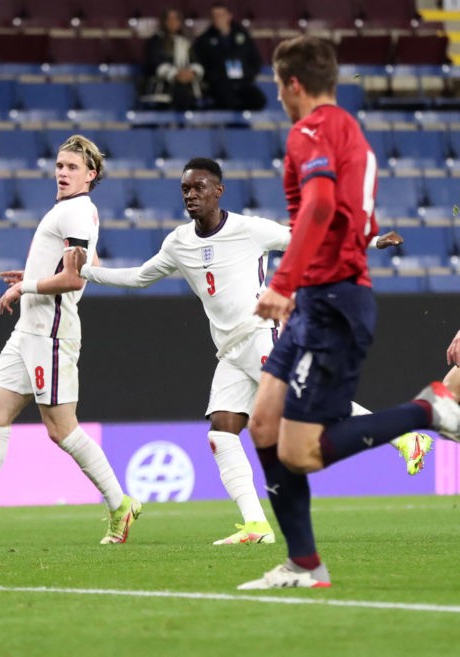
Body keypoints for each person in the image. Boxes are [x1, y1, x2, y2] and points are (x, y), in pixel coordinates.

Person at [72, 157, 431, 545]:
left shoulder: (249, 230)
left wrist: (373, 241)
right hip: (229, 351)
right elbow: (140, 277)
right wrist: (86, 272)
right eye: (185, 190)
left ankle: (404, 435)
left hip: (261, 335)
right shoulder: (178, 242)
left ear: (218, 191)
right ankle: (256, 526)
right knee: (222, 434)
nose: (191, 195)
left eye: (199, 188)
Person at [238, 36, 460, 590]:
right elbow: (346, 220)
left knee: (302, 451)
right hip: (322, 296)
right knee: (262, 425)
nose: (280, 96)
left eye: (278, 86)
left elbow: (317, 203)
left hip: (330, 301)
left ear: (293, 84)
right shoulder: (351, 133)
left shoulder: (309, 130)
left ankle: (426, 412)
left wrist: (284, 282)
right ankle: (304, 563)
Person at [0, 135, 142, 544]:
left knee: (61, 430)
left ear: (91, 174)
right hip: (30, 331)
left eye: (72, 167)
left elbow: (73, 278)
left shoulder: (76, 211)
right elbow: (90, 265)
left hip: (51, 333)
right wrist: (36, 274)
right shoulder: (75, 212)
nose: (62, 173)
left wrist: (28, 286)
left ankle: (119, 505)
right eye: (59, 166)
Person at [193, 3, 267, 111]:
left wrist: (247, 75)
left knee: (257, 99)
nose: (217, 19)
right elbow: (200, 64)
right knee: (227, 100)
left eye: (220, 15)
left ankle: (243, 125)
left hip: (243, 83)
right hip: (218, 85)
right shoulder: (204, 40)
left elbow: (255, 60)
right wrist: (216, 77)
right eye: (214, 16)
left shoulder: (243, 36)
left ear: (229, 16)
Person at [142, 8, 205, 111]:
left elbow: (197, 61)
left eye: (176, 19)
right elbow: (155, 63)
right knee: (180, 91)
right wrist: (175, 75)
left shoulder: (187, 41)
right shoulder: (154, 42)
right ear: (164, 22)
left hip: (188, 85)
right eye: (169, 19)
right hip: (163, 87)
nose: (172, 22)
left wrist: (192, 72)